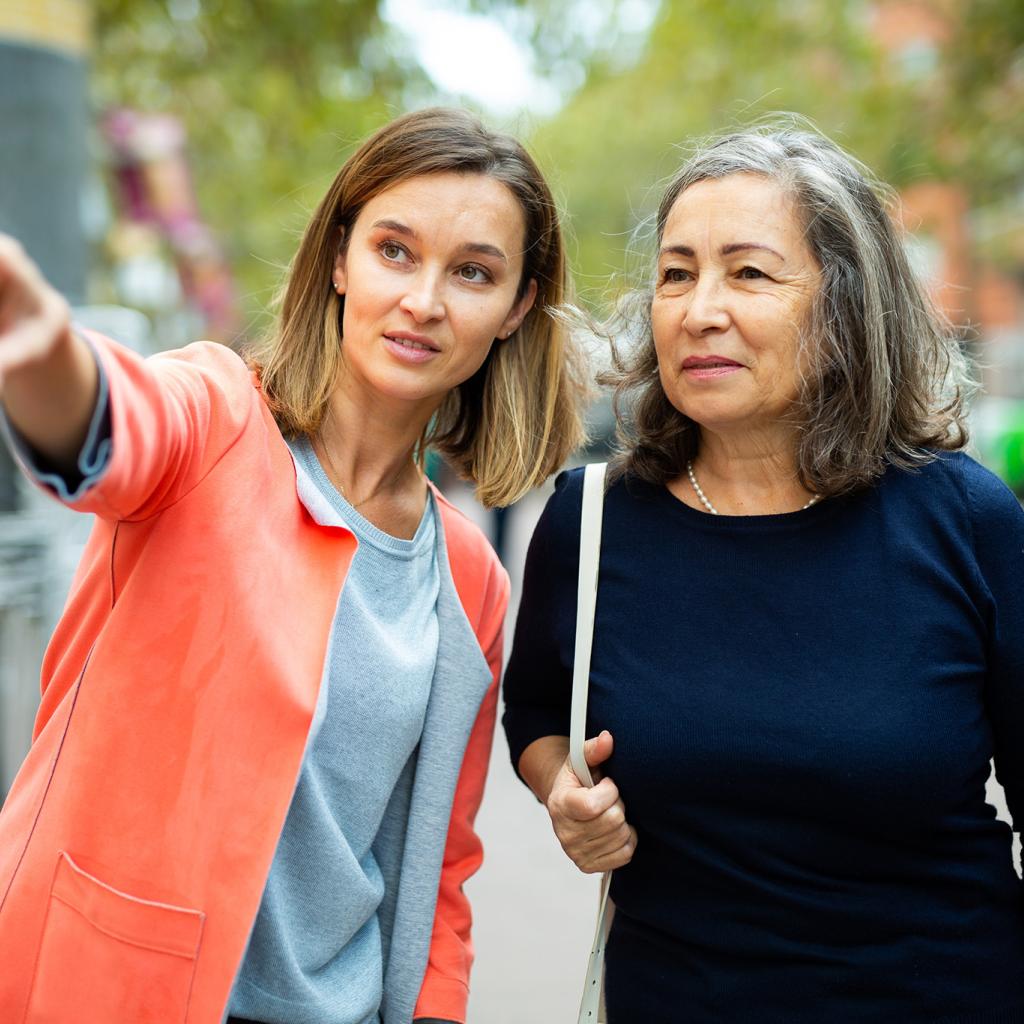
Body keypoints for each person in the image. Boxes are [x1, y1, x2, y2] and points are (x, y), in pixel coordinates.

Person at [0, 107, 586, 1024]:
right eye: (396, 250)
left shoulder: (470, 576)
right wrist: (41, 356)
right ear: (342, 257)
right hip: (112, 988)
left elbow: (438, 867)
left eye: (472, 271)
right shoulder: (218, 419)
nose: (425, 300)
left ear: (515, 308)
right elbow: (116, 422)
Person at [502, 121, 1024, 1022]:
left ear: (845, 305)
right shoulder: (592, 522)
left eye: (748, 272)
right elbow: (539, 712)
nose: (700, 309)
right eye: (676, 273)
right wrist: (563, 791)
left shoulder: (967, 522)